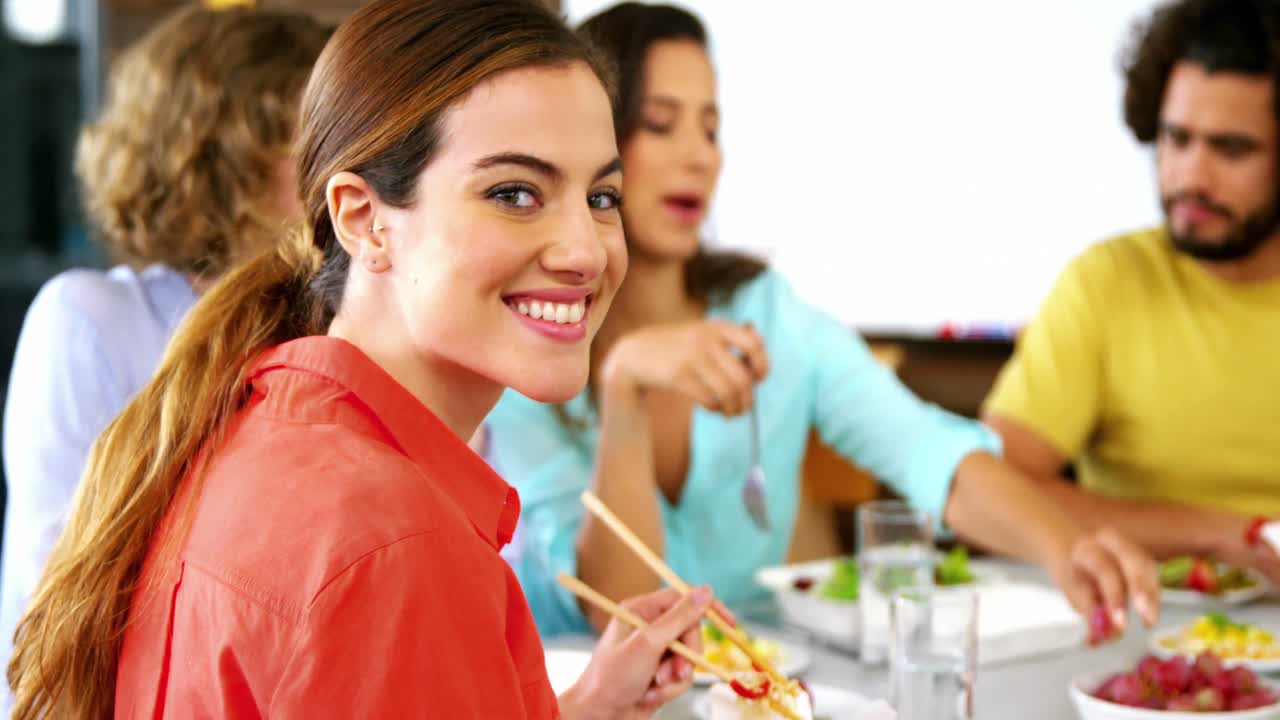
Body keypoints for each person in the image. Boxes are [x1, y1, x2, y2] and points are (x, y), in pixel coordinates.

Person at [7, 1, 715, 717]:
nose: (586, 251)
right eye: (514, 194)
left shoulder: (261, 430)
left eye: (601, 197)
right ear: (363, 219)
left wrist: (589, 703)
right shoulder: (397, 544)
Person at [483, 1, 1159, 639]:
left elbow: (923, 449)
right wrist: (625, 388)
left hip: (746, 692)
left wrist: (1063, 545)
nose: (701, 155)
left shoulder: (766, 315)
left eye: (711, 129)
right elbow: (617, 610)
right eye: (661, 124)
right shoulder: (531, 340)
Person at [0, 6, 328, 711]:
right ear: (219, 155)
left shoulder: (330, 327)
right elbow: (54, 589)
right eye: (308, 141)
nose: (337, 172)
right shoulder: (90, 318)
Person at [982, 0, 1280, 585]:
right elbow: (992, 494)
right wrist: (1223, 533)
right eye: (1176, 138)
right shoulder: (1105, 283)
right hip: (1141, 625)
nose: (1191, 176)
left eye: (1232, 149)